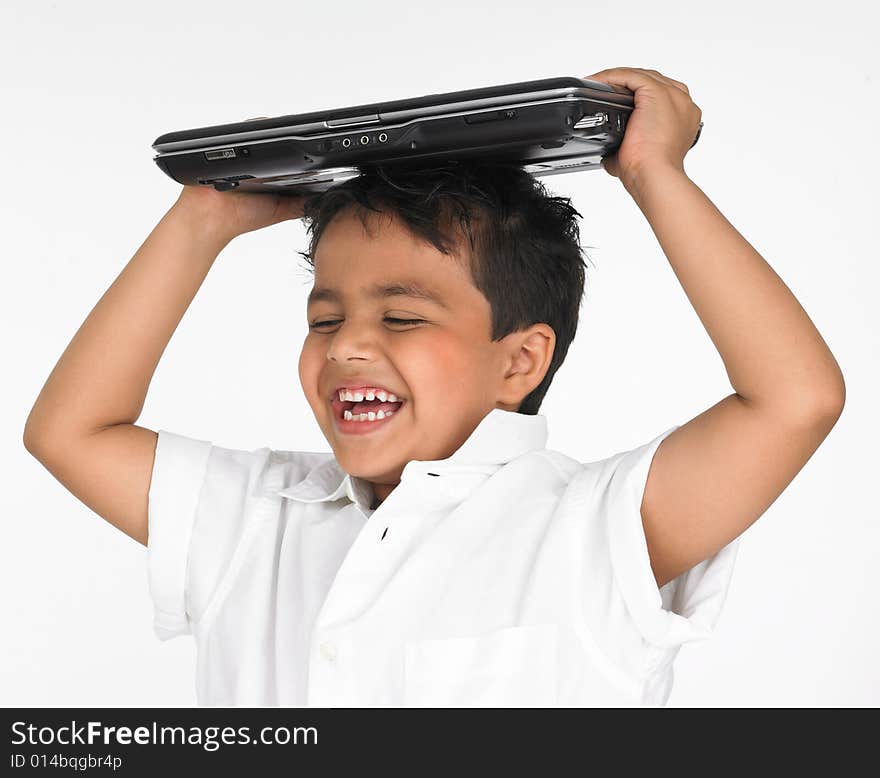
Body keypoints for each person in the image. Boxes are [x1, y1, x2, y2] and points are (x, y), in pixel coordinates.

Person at [23, 67, 845, 706]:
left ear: (519, 361)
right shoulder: (255, 520)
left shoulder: (595, 529)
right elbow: (70, 431)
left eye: (403, 319)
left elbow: (795, 399)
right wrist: (198, 222)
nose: (347, 347)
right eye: (324, 317)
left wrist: (652, 172)